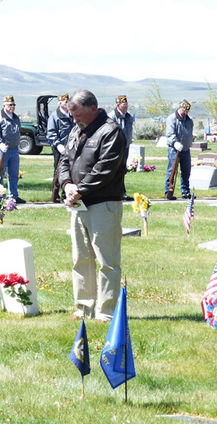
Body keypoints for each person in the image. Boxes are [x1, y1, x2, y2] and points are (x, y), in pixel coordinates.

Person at [58, 89, 127, 322]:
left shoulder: (111, 132)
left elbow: (105, 169)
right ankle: (83, 307)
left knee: (107, 261)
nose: (74, 120)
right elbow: (64, 160)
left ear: (93, 108)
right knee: (81, 259)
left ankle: (106, 312)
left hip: (103, 203)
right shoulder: (76, 130)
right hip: (78, 204)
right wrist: (67, 184)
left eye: (78, 115)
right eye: (72, 115)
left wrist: (80, 190)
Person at [0, 95, 25, 203]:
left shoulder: (15, 117)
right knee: (0, 174)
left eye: (14, 105)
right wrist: (0, 144)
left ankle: (13, 195)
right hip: (1, 150)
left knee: (14, 174)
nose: (12, 107)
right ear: (4, 105)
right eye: (10, 105)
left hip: (14, 149)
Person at [46, 93, 74, 202]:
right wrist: (58, 145)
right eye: (65, 102)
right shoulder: (54, 116)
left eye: (68, 102)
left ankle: (66, 193)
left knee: (71, 171)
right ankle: (55, 194)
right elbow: (51, 133)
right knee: (59, 171)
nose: (67, 104)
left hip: (71, 148)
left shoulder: (72, 115)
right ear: (60, 103)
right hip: (60, 149)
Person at [164, 99, 194, 200]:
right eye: (184, 111)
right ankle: (168, 192)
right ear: (180, 108)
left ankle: (185, 192)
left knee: (186, 171)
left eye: (187, 111)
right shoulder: (171, 118)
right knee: (172, 171)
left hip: (185, 149)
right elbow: (170, 133)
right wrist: (175, 142)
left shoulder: (189, 120)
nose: (185, 113)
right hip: (174, 149)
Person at [108, 95, 134, 201]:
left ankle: (121, 192)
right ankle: (113, 192)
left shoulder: (128, 116)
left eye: (127, 105)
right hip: (115, 147)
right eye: (124, 105)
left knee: (122, 170)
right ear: (118, 105)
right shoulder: (111, 116)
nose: (126, 107)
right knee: (115, 170)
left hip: (125, 147)